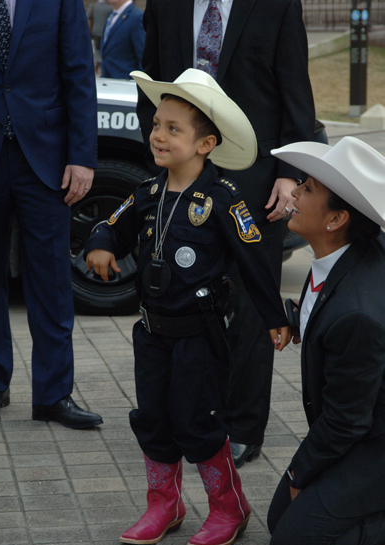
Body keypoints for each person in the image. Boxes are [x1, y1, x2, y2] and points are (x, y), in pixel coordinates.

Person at [85, 69, 290, 545]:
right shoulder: (148, 192)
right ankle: (164, 503)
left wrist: (275, 318)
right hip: (153, 332)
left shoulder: (223, 199)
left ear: (206, 144)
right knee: (154, 418)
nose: (158, 135)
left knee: (197, 420)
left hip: (200, 335)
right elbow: (111, 223)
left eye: (173, 128)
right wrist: (99, 244)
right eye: (157, 124)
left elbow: (255, 261)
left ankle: (228, 507)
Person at [136, 0, 315, 468]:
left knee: (251, 304)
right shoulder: (165, 5)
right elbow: (150, 84)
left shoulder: (276, 6)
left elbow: (296, 91)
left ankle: (242, 425)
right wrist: (163, 157)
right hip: (184, 177)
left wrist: (289, 173)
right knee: (186, 300)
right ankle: (192, 418)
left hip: (256, 183)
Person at [267, 136, 385, 545]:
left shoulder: (357, 313)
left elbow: (347, 420)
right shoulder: (345, 254)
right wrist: (297, 319)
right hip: (361, 428)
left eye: (309, 189)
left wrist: (300, 473)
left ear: (336, 218)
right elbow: (326, 306)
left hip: (371, 438)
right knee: (280, 520)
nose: (294, 193)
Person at [0, 0, 103, 429]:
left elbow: (78, 76)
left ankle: (53, 395)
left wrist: (83, 158)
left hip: (48, 162)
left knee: (52, 280)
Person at [100, 0, 145, 79]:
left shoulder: (136, 17)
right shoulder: (111, 16)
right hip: (108, 82)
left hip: (125, 84)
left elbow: (143, 58)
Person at [87, 0, 113, 71]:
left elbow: (88, 16)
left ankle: (97, 62)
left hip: (95, 30)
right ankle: (101, 62)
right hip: (105, 32)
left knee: (97, 48)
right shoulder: (109, 8)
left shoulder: (93, 6)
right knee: (103, 48)